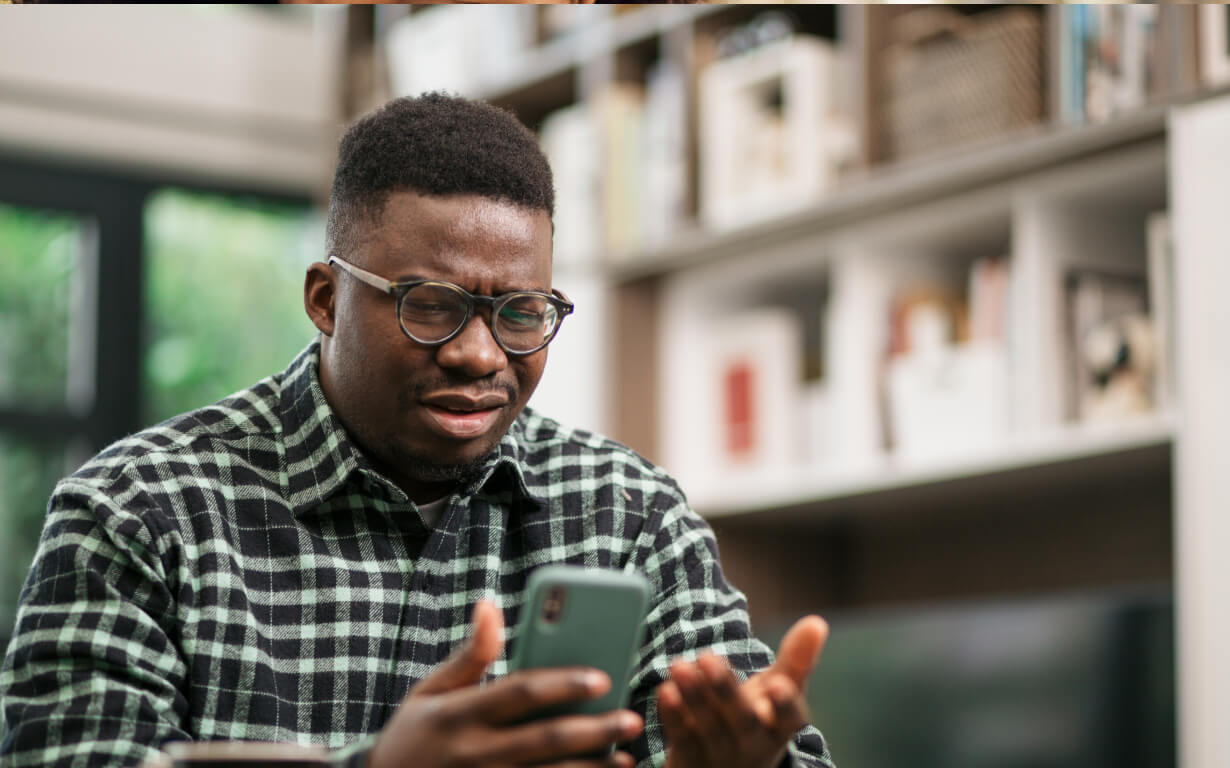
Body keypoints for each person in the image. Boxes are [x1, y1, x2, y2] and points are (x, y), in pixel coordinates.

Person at [0, 93, 834, 768]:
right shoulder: (138, 510)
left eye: (521, 313)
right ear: (326, 299)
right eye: (431, 306)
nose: (480, 355)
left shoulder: (629, 516)